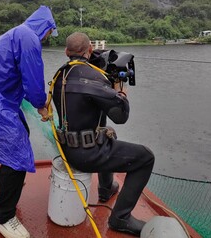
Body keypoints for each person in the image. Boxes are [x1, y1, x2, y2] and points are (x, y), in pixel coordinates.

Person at [0, 5, 57, 238]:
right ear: (45, 27)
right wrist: (42, 105)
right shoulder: (29, 39)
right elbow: (33, 82)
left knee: (19, 130)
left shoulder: (17, 34)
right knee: (17, 150)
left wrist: (39, 102)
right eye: (49, 33)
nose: (47, 38)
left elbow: (18, 78)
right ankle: (3, 217)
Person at [52, 32, 155, 237]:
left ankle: (106, 189)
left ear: (66, 52)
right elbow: (120, 116)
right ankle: (120, 219)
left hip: (66, 148)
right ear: (90, 49)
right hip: (87, 155)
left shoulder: (59, 75)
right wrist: (120, 90)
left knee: (109, 132)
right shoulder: (95, 78)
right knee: (145, 157)